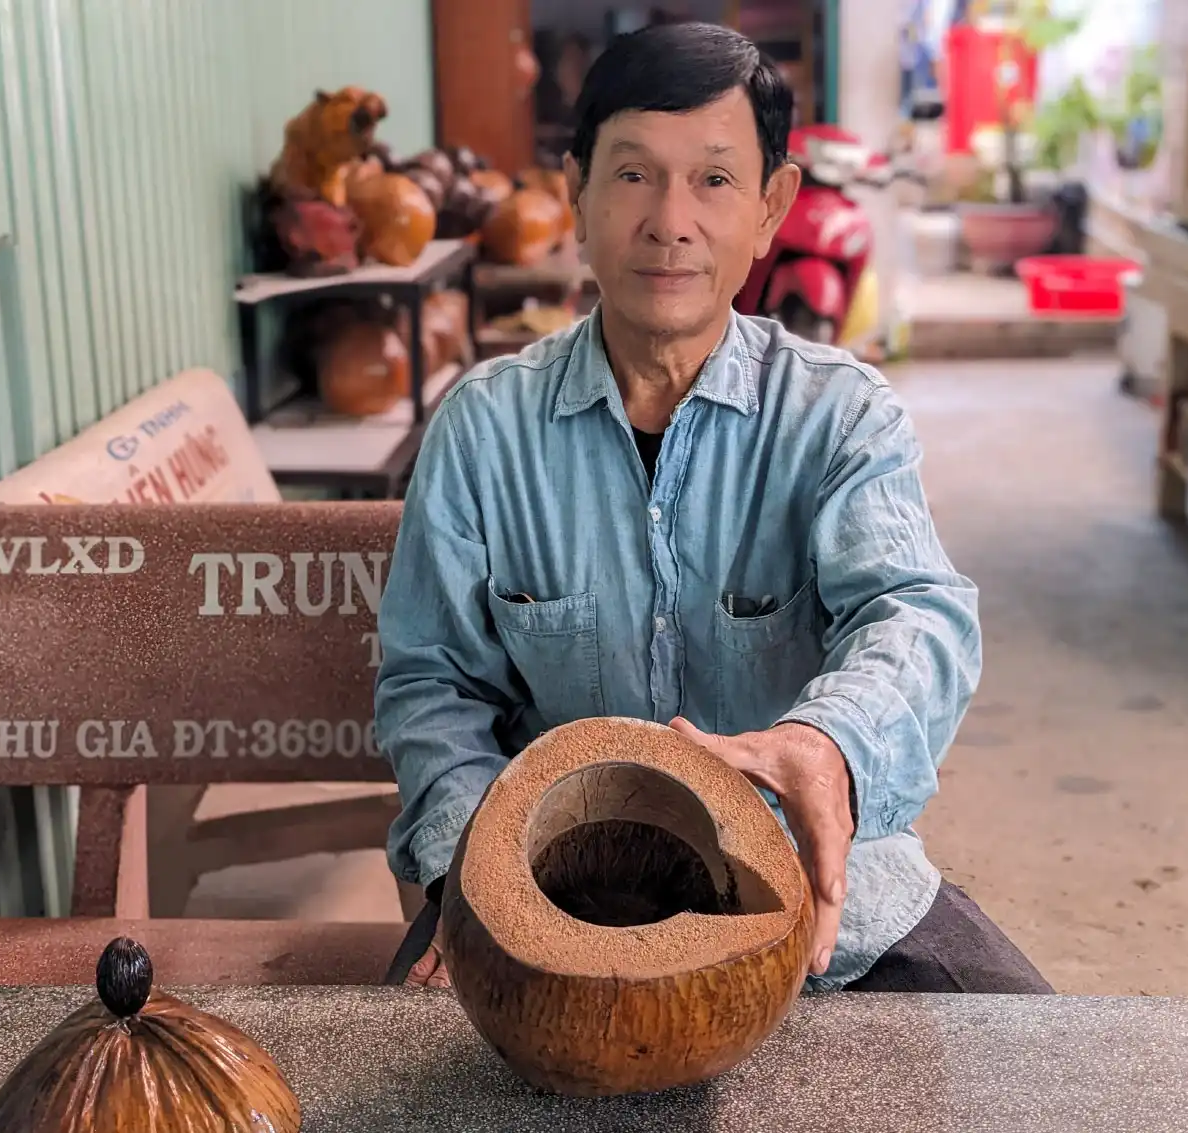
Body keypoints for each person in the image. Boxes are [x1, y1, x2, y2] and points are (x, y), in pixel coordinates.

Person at [374, 22, 1052, 996]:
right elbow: (430, 681)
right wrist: (472, 870)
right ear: (575, 190)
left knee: (1051, 1068)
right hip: (551, 907)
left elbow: (916, 611)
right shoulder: (484, 429)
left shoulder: (839, 416)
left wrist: (829, 745)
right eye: (634, 174)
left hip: (820, 902)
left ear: (772, 205)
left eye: (715, 180)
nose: (670, 220)